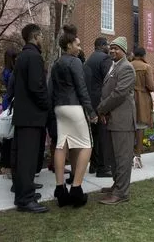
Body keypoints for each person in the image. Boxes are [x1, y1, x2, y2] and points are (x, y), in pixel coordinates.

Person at [50, 25, 97, 208]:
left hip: (59, 108)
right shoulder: (75, 62)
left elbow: (51, 89)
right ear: (69, 45)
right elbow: (81, 88)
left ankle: (60, 189)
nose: (79, 47)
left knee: (62, 145)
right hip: (74, 107)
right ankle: (76, 189)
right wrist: (91, 112)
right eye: (77, 44)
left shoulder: (57, 63)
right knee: (87, 145)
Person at [11, 24, 49, 213]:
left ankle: (24, 192)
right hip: (31, 116)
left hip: (23, 115)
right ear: (36, 36)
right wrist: (47, 105)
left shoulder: (22, 56)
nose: (43, 39)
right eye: (41, 35)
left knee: (22, 157)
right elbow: (37, 87)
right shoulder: (34, 56)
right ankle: (25, 199)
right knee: (27, 159)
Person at [97, 37, 136, 206]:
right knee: (113, 157)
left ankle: (122, 193)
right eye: (111, 48)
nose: (112, 50)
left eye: (116, 48)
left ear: (124, 51)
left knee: (122, 158)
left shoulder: (126, 68)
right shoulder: (115, 66)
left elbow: (119, 93)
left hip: (123, 120)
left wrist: (101, 108)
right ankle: (117, 185)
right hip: (114, 118)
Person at [83, 37, 113, 177]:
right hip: (101, 102)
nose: (109, 47)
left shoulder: (89, 59)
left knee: (94, 134)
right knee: (103, 134)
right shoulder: (105, 59)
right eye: (108, 44)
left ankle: (94, 165)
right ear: (102, 46)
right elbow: (109, 81)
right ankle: (103, 167)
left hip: (90, 101)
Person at [130, 47, 154, 169]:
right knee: (140, 127)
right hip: (141, 99)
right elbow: (150, 86)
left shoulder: (128, 65)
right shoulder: (146, 67)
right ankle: (137, 156)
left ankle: (128, 156)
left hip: (128, 97)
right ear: (144, 55)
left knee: (129, 127)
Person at [0, 49, 18, 178]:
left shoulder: (6, 71)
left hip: (7, 102)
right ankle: (7, 165)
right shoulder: (11, 73)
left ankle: (6, 165)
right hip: (11, 103)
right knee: (9, 137)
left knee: (7, 137)